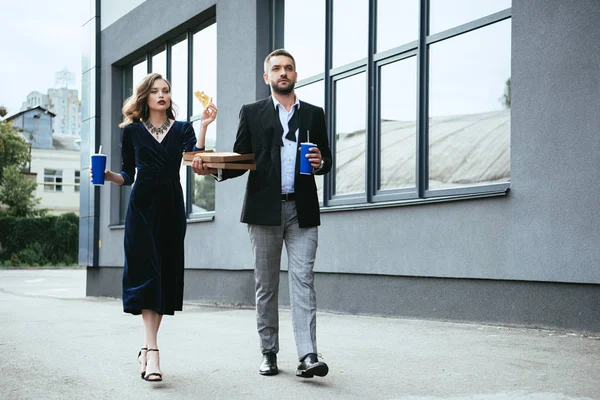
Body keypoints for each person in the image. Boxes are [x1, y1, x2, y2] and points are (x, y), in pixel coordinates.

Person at [192, 49, 332, 378]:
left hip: (303, 209)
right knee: (266, 285)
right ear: (266, 77)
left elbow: (325, 159)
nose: (283, 73)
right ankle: (269, 351)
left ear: (296, 75)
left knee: (303, 282)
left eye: (289, 68)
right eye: (277, 69)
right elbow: (242, 159)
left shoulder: (314, 114)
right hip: (263, 210)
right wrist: (209, 168)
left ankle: (308, 354)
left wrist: (320, 163)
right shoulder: (252, 113)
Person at [90, 73, 217, 382]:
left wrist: (203, 126)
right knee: (147, 275)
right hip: (142, 208)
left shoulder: (183, 128)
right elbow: (127, 175)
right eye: (156, 91)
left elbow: (194, 160)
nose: (162, 95)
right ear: (145, 96)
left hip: (172, 207)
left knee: (163, 276)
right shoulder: (131, 131)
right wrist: (108, 175)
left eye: (167, 91)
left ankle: (147, 350)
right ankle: (154, 352)